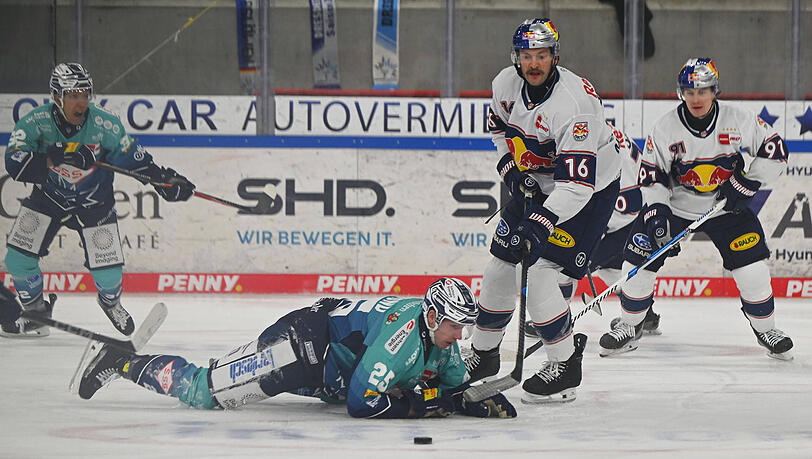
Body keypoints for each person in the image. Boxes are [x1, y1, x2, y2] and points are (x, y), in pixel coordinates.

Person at [70, 278, 517, 419]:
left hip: (328, 368)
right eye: (457, 326)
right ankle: (121, 361)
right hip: (297, 348)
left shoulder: (439, 335)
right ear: (435, 317)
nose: (462, 336)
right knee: (205, 392)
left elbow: (451, 380)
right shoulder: (401, 340)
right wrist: (419, 407)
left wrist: (469, 399)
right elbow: (363, 404)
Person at [464, 18, 621, 404]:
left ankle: (565, 365)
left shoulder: (574, 104)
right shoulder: (504, 85)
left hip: (588, 192)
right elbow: (499, 131)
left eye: (541, 55)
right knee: (500, 264)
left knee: (541, 275)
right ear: (516, 57)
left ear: (555, 56)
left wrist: (542, 221)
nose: (533, 64)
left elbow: (576, 186)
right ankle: (483, 354)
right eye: (526, 56)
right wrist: (510, 172)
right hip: (538, 181)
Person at [598, 58, 793, 360]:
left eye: (703, 90)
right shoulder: (665, 128)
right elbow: (651, 175)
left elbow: (776, 150)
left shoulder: (737, 119)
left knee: (753, 271)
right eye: (690, 92)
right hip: (676, 209)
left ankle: (766, 329)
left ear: (715, 90)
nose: (696, 98)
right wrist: (658, 210)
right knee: (636, 266)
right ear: (681, 94)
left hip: (726, 209)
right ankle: (629, 325)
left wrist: (747, 182)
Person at [2, 63, 196, 338]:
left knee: (109, 274)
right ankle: (36, 313)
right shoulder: (35, 122)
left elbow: (134, 158)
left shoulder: (105, 124)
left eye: (85, 94)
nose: (81, 102)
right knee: (18, 260)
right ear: (57, 97)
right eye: (73, 95)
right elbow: (14, 163)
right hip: (48, 198)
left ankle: (110, 301)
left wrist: (163, 180)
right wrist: (54, 155)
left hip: (95, 204)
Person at [522, 123, 661, 338]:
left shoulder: (595, 143)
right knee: (612, 271)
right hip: (627, 217)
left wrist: (596, 226)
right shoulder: (597, 129)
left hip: (627, 223)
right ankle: (646, 315)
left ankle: (554, 320)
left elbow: (630, 205)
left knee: (562, 261)